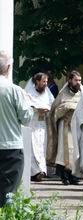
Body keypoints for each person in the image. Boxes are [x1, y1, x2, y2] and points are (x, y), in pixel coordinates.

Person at [0, 50, 35, 206]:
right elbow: (26, 118)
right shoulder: (14, 90)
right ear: (8, 67)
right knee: (8, 195)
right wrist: (29, 104)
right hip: (10, 147)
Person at [47, 71, 83, 185]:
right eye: (76, 80)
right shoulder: (63, 94)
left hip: (77, 126)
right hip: (65, 125)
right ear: (70, 81)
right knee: (64, 152)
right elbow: (54, 111)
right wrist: (67, 108)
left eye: (80, 80)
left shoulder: (82, 94)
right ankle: (64, 175)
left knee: (76, 151)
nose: (78, 83)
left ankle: (74, 175)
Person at [24, 73, 54, 181]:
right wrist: (37, 109)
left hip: (43, 124)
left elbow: (52, 103)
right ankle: (34, 172)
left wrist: (48, 109)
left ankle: (41, 170)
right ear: (37, 81)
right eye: (43, 81)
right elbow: (26, 106)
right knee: (33, 147)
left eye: (46, 82)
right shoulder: (29, 93)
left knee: (42, 147)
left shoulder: (47, 92)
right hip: (32, 123)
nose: (46, 84)